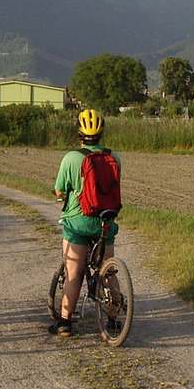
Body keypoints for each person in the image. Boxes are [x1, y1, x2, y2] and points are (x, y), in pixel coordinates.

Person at [49, 109, 120, 336]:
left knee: (73, 271)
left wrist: (60, 193)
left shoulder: (71, 158)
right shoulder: (114, 157)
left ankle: (65, 323)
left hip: (77, 223)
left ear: (79, 132)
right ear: (101, 133)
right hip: (105, 221)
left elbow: (60, 189)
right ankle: (114, 320)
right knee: (108, 271)